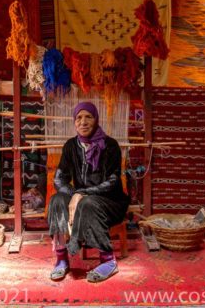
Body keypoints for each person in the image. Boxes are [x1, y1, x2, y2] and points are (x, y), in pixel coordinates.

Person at [47, 101, 129, 282]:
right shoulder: (70, 146)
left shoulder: (110, 145)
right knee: (57, 200)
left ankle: (108, 260)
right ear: (74, 122)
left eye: (88, 117)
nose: (83, 122)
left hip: (110, 201)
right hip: (81, 199)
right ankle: (61, 259)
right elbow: (59, 178)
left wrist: (81, 194)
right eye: (78, 118)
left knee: (88, 203)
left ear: (96, 119)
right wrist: (73, 194)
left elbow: (113, 182)